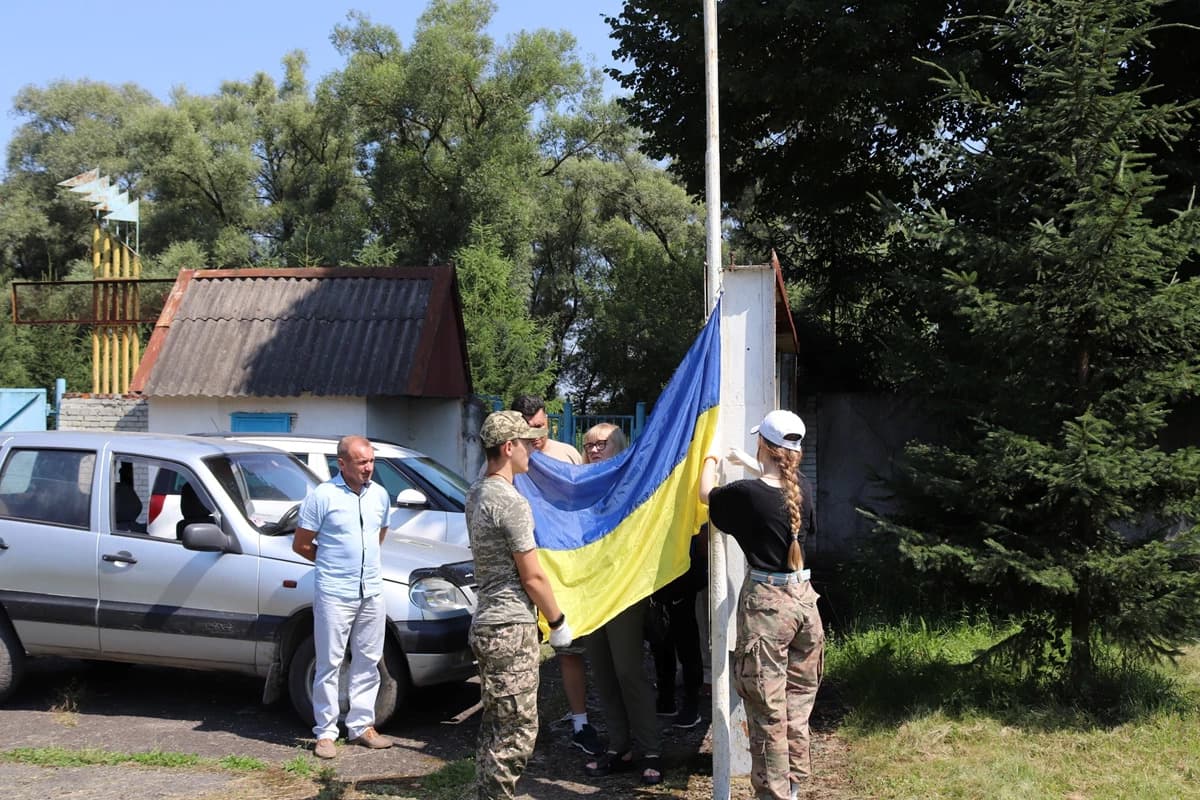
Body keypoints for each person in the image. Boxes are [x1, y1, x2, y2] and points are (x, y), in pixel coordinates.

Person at [698, 410, 823, 800]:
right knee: (797, 708)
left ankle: (774, 795)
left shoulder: (746, 495)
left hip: (769, 611)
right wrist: (749, 463)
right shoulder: (803, 488)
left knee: (768, 713)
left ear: (762, 445)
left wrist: (710, 457)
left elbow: (706, 495)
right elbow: (777, 486)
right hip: (805, 605)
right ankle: (793, 789)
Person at [468, 410, 574, 800]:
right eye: (527, 443)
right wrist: (557, 621)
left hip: (488, 622)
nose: (532, 449)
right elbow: (532, 577)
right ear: (509, 447)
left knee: (497, 722)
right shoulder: (510, 502)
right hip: (510, 628)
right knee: (517, 729)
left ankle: (485, 792)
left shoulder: (477, 492)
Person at [508, 395, 602, 755]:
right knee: (521, 656)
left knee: (570, 649)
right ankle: (522, 728)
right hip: (524, 571)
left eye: (541, 425)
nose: (537, 433)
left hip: (563, 571)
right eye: (529, 428)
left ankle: (580, 723)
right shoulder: (511, 461)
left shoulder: (567, 455)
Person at [293, 435, 395, 759]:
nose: (368, 468)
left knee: (368, 660)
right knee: (329, 663)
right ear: (342, 463)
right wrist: (332, 562)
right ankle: (325, 732)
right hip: (335, 592)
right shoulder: (323, 496)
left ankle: (362, 726)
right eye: (362, 462)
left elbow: (378, 535)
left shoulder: (379, 495)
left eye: (371, 461)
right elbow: (301, 544)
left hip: (371, 590)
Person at [580, 422, 663, 786]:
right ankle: (619, 747)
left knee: (628, 669)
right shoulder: (579, 486)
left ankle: (651, 749)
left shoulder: (631, 482)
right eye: (589, 445)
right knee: (602, 671)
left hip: (625, 589)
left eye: (602, 444)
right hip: (590, 590)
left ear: (620, 446)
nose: (594, 450)